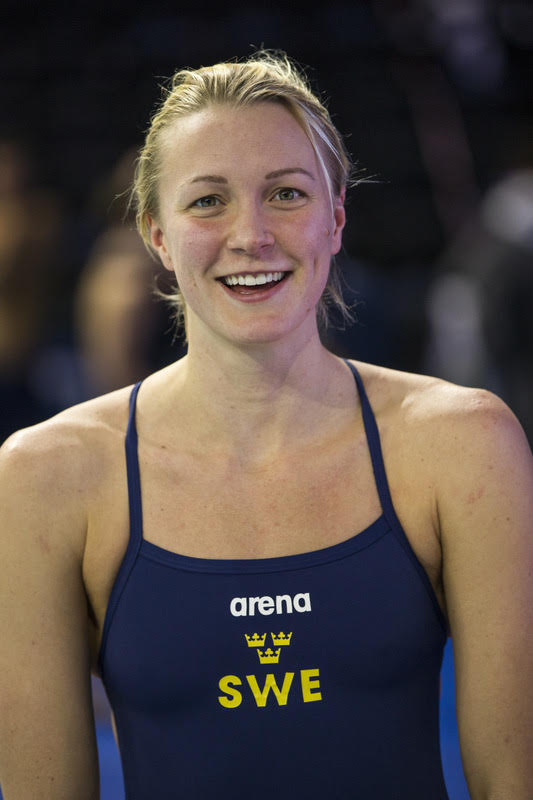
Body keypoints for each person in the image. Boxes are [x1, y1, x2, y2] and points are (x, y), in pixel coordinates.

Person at [1, 52, 532, 800]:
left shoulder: (461, 445)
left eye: (285, 193)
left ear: (336, 219)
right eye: (208, 201)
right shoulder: (46, 478)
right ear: (156, 234)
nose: (250, 234)